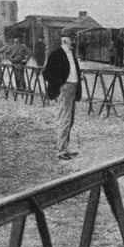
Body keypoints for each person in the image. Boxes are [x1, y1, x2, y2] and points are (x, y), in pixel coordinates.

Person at [43, 28, 82, 161]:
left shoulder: (72, 54)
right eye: (72, 39)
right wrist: (60, 84)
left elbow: (73, 71)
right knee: (64, 120)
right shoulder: (56, 54)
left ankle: (65, 147)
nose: (74, 41)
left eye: (74, 39)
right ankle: (61, 151)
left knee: (70, 121)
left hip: (73, 88)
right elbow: (47, 73)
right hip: (64, 89)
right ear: (64, 39)